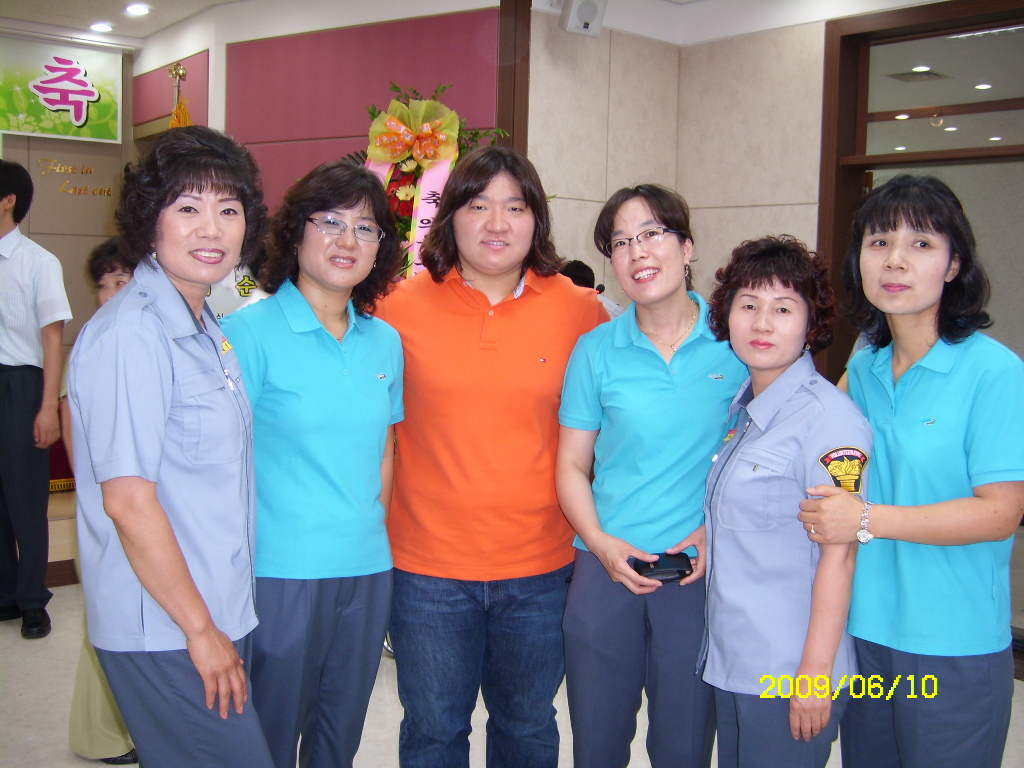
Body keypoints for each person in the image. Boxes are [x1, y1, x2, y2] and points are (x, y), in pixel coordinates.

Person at [375, 145, 607, 768]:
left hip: (541, 569)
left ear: (537, 221)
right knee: (432, 731)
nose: (497, 223)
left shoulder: (581, 311)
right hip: (426, 571)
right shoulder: (395, 306)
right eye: (478, 205)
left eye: (515, 207)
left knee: (526, 728)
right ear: (450, 216)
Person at [799, 174, 1024, 768]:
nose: (895, 260)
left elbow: (1001, 513)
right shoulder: (864, 367)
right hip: (867, 638)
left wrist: (866, 518)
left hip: (953, 646)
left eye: (921, 243)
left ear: (954, 265)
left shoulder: (994, 373)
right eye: (879, 242)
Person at [67, 126, 274, 768]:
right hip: (166, 622)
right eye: (188, 208)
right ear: (149, 222)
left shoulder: (205, 320)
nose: (212, 229)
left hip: (212, 603)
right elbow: (128, 503)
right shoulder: (132, 334)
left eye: (229, 210)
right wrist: (200, 629)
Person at [555, 183, 745, 768]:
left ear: (687, 247)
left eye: (653, 234)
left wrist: (716, 533)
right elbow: (571, 464)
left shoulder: (739, 340)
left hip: (698, 570)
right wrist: (599, 543)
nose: (637, 252)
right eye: (620, 242)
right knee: (597, 743)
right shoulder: (595, 350)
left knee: (683, 746)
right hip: (606, 567)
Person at [221, 161, 404, 768]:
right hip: (280, 574)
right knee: (269, 739)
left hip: (367, 570)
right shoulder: (246, 334)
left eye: (366, 228)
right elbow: (221, 463)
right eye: (330, 222)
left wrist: (370, 530)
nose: (348, 240)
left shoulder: (384, 341)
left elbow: (384, 450)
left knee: (338, 739)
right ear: (295, 232)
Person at [702, 235, 870, 768]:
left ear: (810, 322)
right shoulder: (746, 410)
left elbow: (841, 553)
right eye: (748, 305)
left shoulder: (830, 421)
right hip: (735, 659)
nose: (762, 323)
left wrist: (815, 676)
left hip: (789, 671)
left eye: (783, 308)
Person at [60, 239, 138, 765]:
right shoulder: (97, 339)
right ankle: (102, 733)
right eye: (103, 286)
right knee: (111, 618)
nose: (109, 294)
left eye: (120, 282)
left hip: (133, 504)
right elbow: (75, 436)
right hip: (111, 506)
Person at [0, 159, 72, 640]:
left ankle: (32, 600)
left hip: (22, 385)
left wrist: (48, 406)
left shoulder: (39, 263)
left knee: (25, 500)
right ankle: (5, 592)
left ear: (8, 201)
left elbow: (52, 341)